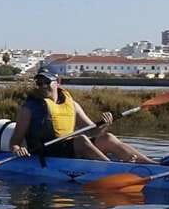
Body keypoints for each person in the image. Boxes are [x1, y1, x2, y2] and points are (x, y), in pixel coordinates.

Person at [9, 67, 153, 163]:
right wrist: (17, 149)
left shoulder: (72, 104)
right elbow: (15, 141)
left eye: (46, 82)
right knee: (81, 140)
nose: (42, 86)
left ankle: (151, 165)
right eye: (39, 83)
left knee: (107, 138)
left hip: (67, 149)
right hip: (46, 151)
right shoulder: (29, 108)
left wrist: (105, 123)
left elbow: (93, 130)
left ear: (57, 82)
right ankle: (112, 168)